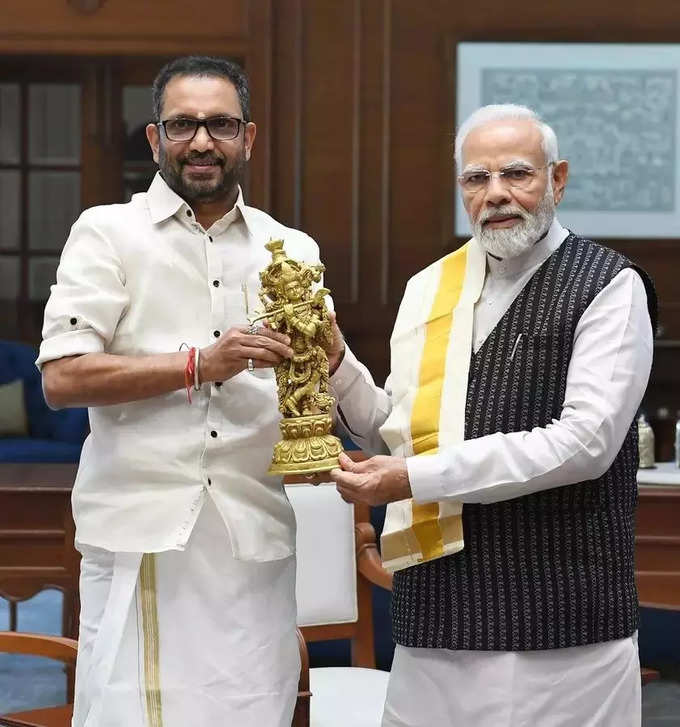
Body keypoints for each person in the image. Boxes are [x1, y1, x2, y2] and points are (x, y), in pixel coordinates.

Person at [327, 104, 656, 726]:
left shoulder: (610, 285)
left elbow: (586, 444)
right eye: (477, 179)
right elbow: (392, 428)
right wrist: (337, 362)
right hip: (436, 616)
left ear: (557, 179)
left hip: (562, 624)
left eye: (517, 174)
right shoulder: (432, 286)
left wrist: (412, 478)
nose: (496, 194)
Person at [37, 56, 321, 727]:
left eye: (220, 125)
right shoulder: (108, 233)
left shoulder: (291, 250)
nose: (200, 140)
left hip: (252, 544)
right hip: (141, 535)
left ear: (247, 138)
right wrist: (199, 363)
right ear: (154, 138)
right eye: (183, 125)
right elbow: (62, 378)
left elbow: (327, 377)